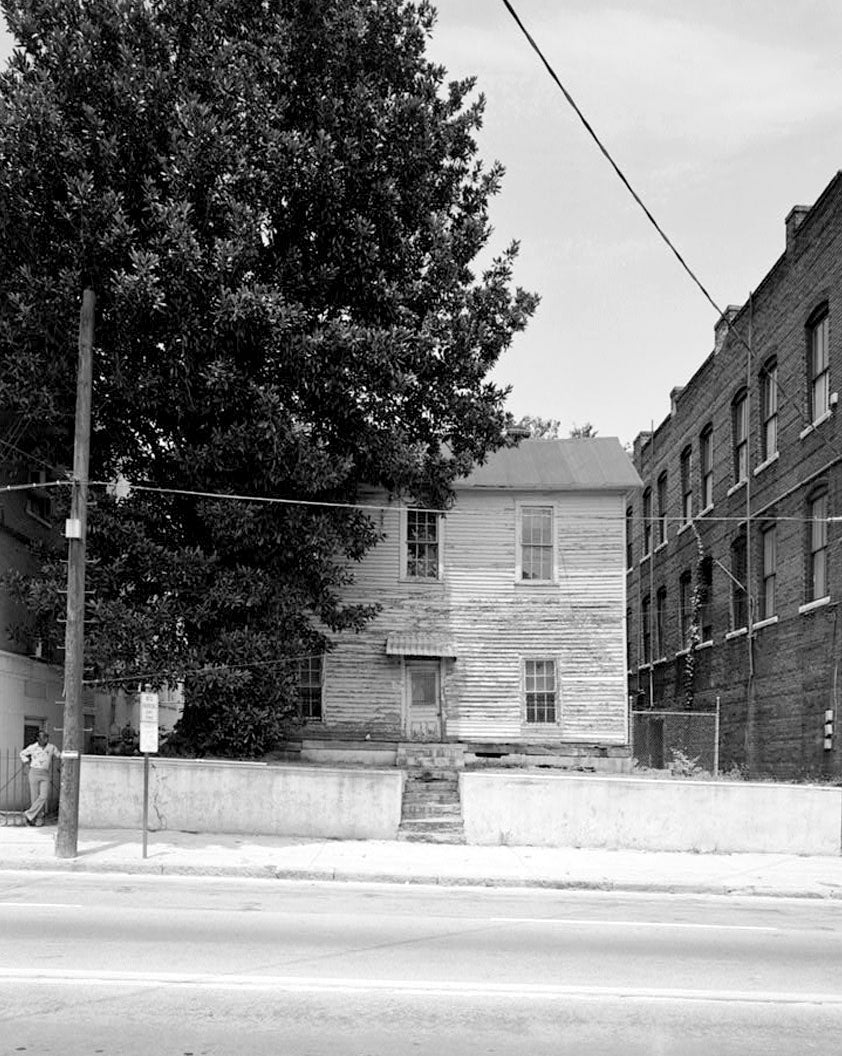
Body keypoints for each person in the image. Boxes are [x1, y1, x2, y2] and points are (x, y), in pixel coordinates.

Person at [19, 730, 61, 827]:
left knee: (43, 796)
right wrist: (27, 762)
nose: (45, 739)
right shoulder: (33, 747)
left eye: (46, 737)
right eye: (43, 737)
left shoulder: (51, 747)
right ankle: (37, 818)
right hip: (34, 772)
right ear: (38, 738)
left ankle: (28, 814)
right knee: (34, 797)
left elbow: (59, 755)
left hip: (45, 773)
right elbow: (22, 753)